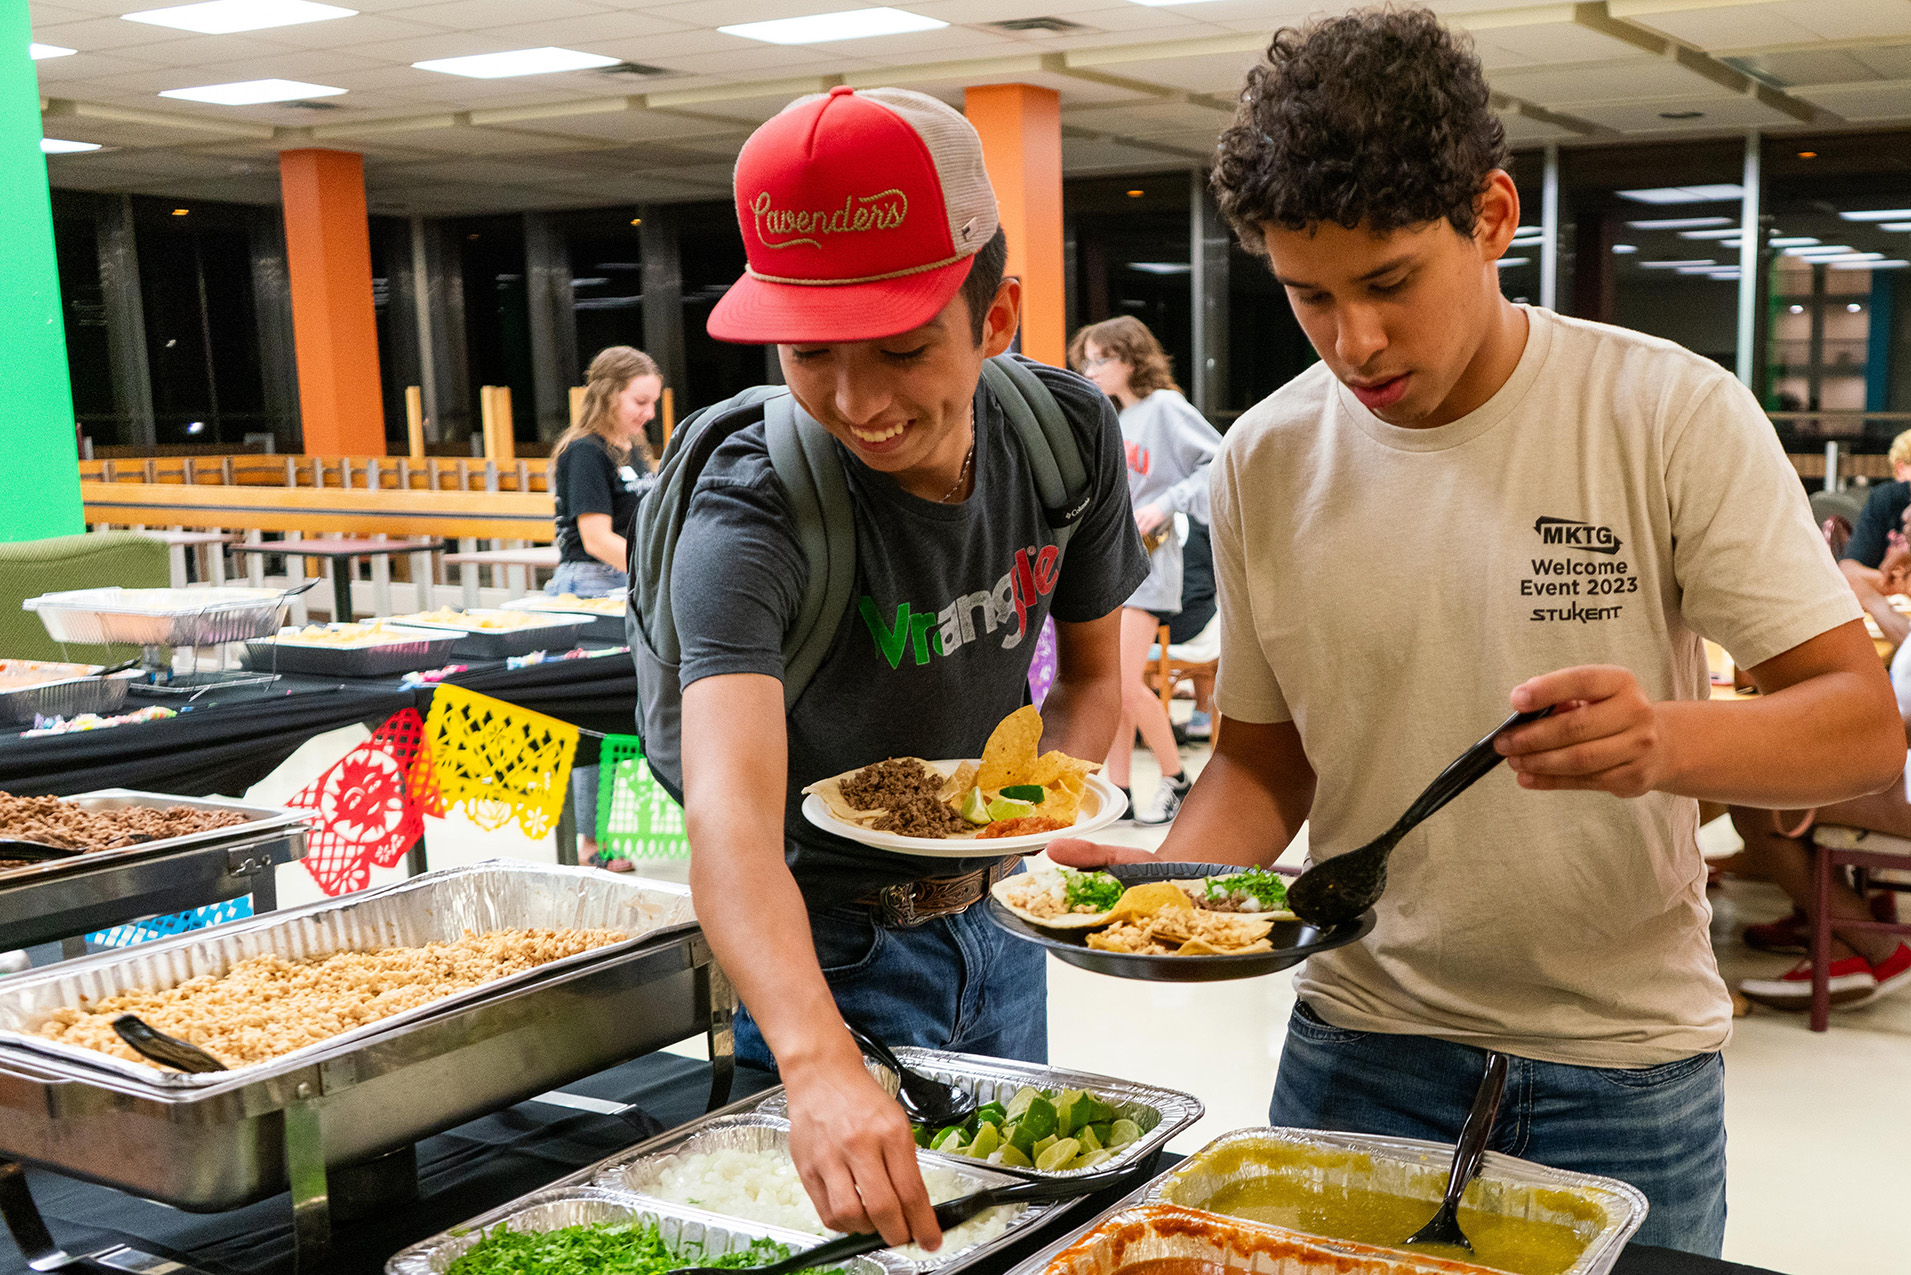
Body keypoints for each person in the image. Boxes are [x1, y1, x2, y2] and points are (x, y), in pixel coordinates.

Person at [1051, 7, 1903, 1256]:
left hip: (1622, 1068)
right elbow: (1262, 759)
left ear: (1492, 216)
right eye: (1310, 298)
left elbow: (1858, 730)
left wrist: (1665, 740)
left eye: (1390, 282)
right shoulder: (1266, 463)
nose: (1357, 342)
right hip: (1357, 1048)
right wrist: (1184, 891)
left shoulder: (1661, 410)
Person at [670, 86, 1147, 1251]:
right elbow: (729, 832)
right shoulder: (749, 516)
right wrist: (819, 1064)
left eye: (901, 347)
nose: (857, 401)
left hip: (1001, 925)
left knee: (1008, 1233)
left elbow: (1091, 683)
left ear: (997, 317)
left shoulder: (1065, 439)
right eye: (809, 352)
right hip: (824, 952)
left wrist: (1027, 827)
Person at [1067, 316, 1221, 824]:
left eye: (1099, 359)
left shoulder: (1165, 408)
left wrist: (1167, 503)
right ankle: (1121, 789)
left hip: (1152, 562)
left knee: (1124, 684)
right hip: (1114, 560)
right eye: (1084, 361)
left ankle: (1177, 779)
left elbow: (1216, 462)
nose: (1089, 370)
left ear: (1130, 359)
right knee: (1114, 684)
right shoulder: (1111, 417)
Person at [548, 345, 664, 867]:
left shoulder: (631, 450)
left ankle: (608, 829)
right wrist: (657, 574)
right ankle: (592, 840)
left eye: (653, 403)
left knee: (627, 710)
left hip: (629, 584)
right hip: (591, 587)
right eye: (640, 401)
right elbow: (596, 537)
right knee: (596, 716)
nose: (649, 414)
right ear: (610, 393)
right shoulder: (585, 452)